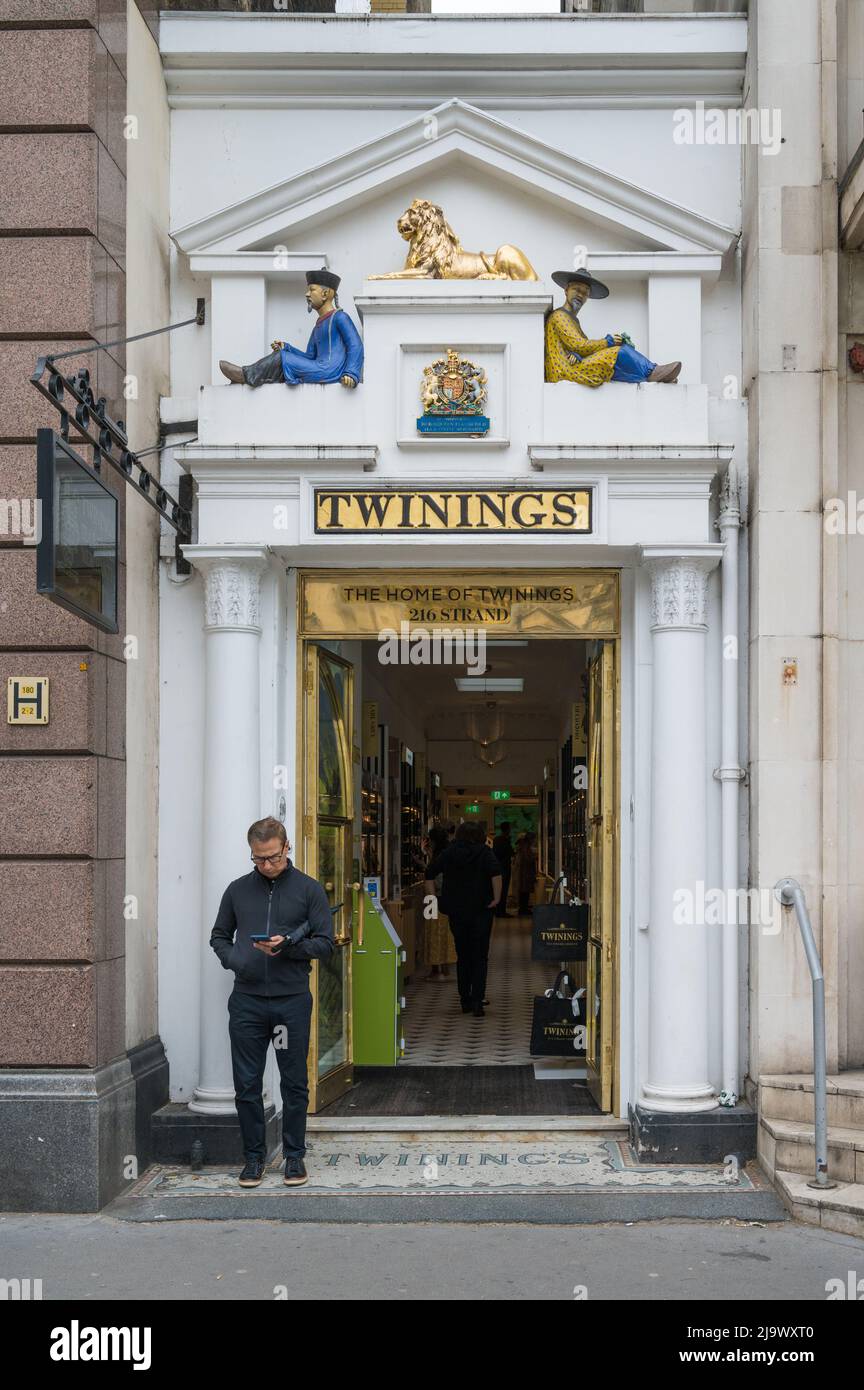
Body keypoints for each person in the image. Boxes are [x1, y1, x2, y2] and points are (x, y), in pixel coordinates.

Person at [210, 816, 334, 1189]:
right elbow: (219, 936)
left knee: (293, 1082)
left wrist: (289, 946)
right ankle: (253, 1158)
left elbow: (325, 944)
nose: (266, 865)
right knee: (247, 1083)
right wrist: (237, 960)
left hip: (291, 1001)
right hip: (247, 1001)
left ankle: (294, 1156)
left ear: (286, 847)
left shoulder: (309, 890)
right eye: (259, 858)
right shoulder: (237, 890)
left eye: (273, 857)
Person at [218, 268, 363, 389]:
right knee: (283, 354)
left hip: (329, 370)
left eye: (312, 290)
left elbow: (355, 345)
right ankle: (250, 376)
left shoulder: (340, 317)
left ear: (325, 294)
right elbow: (309, 357)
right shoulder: (317, 326)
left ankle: (246, 375)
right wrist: (287, 348)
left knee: (283, 357)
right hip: (319, 367)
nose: (307, 294)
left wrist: (351, 373)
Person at [545, 269, 681, 388]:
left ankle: (652, 377)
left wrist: (576, 355)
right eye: (577, 290)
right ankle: (652, 372)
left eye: (585, 292)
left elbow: (576, 348)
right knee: (619, 353)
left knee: (616, 364)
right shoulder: (559, 316)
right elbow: (579, 345)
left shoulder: (572, 320)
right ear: (566, 290)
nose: (580, 295)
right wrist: (607, 342)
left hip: (571, 367)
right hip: (564, 371)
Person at [425, 822, 501, 1018]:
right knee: (480, 956)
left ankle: (464, 999)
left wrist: (433, 899)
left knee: (463, 955)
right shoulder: (485, 852)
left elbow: (429, 873)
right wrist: (496, 898)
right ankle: (477, 1001)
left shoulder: (449, 852)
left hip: (457, 911)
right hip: (481, 910)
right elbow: (496, 874)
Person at [421, 823, 455, 981]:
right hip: (448, 900)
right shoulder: (449, 853)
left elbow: (432, 875)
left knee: (433, 935)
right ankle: (445, 969)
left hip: (434, 900)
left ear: (434, 841)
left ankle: (437, 971)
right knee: (445, 934)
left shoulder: (439, 858)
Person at [512, 831, 538, 916]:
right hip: (526, 874)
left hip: (524, 874)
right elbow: (528, 860)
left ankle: (523, 908)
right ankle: (523, 909)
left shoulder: (523, 847)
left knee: (524, 892)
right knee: (525, 892)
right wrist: (534, 857)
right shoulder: (526, 848)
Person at [491, 821, 514, 918]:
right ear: (507, 829)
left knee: (498, 890)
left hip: (497, 868)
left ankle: (497, 910)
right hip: (505, 868)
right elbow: (510, 852)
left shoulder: (496, 840)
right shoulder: (505, 840)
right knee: (503, 890)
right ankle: (501, 911)